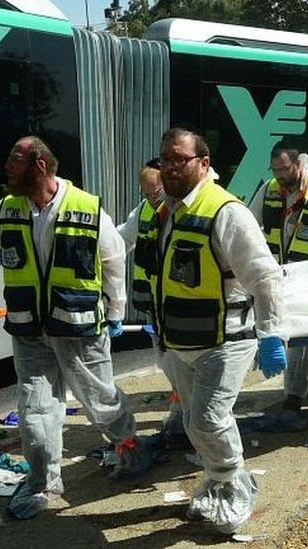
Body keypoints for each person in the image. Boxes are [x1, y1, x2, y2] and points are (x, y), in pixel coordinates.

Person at [0, 136, 151, 520]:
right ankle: (42, 481)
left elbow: (114, 257)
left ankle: (129, 446)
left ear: (39, 164)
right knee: (35, 410)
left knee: (99, 400)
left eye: (14, 159)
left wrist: (117, 308)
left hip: (77, 327)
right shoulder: (7, 210)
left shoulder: (86, 207)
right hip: (30, 330)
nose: (6, 166)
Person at [150, 127, 285, 533]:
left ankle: (236, 485)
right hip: (180, 341)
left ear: (204, 163)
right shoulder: (168, 210)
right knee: (192, 422)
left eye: (179, 159)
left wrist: (273, 333)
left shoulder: (227, 212)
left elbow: (265, 278)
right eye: (165, 160)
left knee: (209, 420)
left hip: (225, 338)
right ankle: (215, 479)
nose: (170, 167)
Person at [247, 146, 308, 422]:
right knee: (300, 336)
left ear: (298, 165)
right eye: (275, 170)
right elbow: (249, 226)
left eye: (284, 169)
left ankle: (293, 399)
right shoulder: (267, 191)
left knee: (299, 338)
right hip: (274, 277)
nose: (278, 175)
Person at [115, 158, 187, 444]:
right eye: (145, 193)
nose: (151, 198)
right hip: (155, 306)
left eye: (155, 192)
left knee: (183, 365)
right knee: (168, 363)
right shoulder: (144, 211)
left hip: (182, 304)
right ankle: (182, 417)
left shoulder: (184, 210)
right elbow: (120, 240)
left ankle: (186, 420)